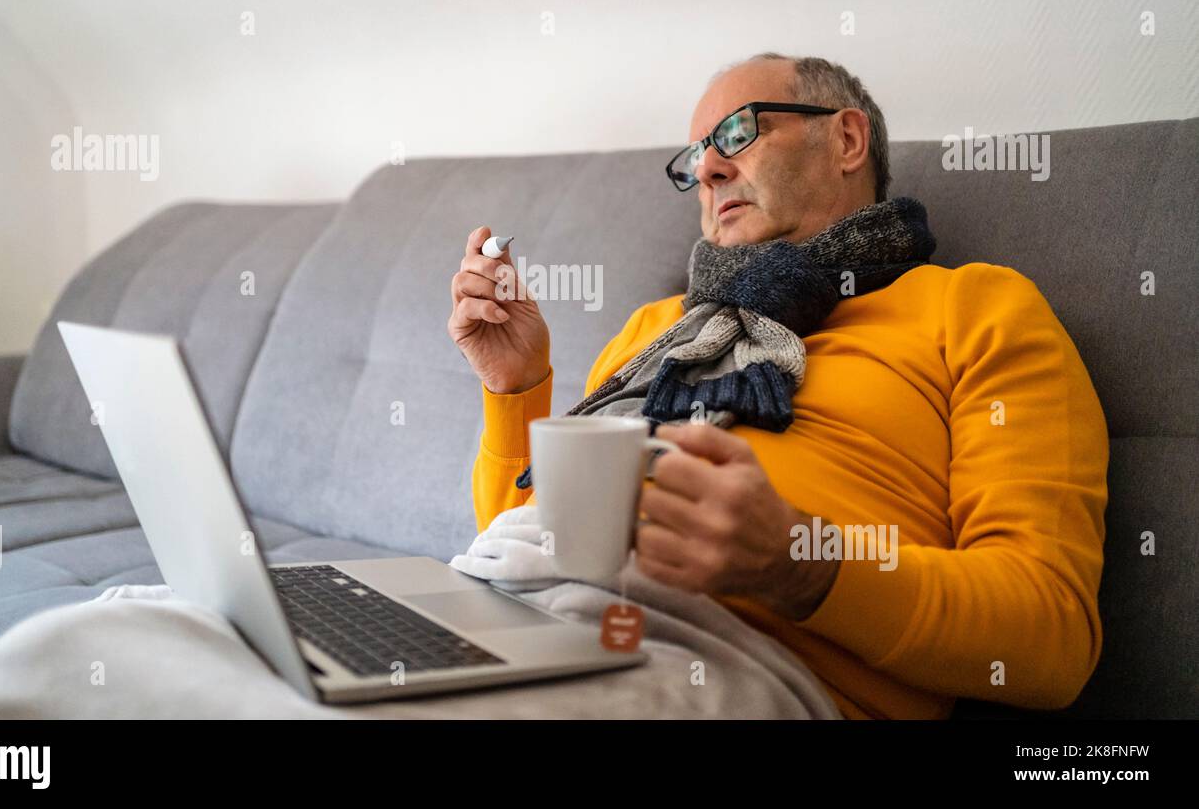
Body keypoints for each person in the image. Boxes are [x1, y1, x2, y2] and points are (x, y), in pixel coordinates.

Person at [447, 52, 1109, 720]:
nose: (707, 168)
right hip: (519, 611)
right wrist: (516, 387)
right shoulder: (660, 329)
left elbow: (1051, 638)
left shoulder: (977, 308)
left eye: (737, 133)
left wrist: (801, 563)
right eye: (697, 155)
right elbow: (533, 542)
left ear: (847, 140)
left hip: (732, 671)